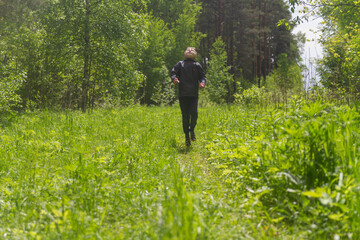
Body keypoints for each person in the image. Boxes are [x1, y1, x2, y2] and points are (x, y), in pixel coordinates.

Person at [170, 47, 206, 147]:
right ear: (185, 53)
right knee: (185, 116)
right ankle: (186, 137)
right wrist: (175, 79)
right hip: (183, 95)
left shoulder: (197, 65)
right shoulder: (180, 64)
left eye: (192, 50)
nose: (190, 50)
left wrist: (202, 83)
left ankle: (192, 130)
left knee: (194, 114)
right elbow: (173, 73)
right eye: (188, 50)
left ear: (195, 54)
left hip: (194, 95)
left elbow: (203, 76)